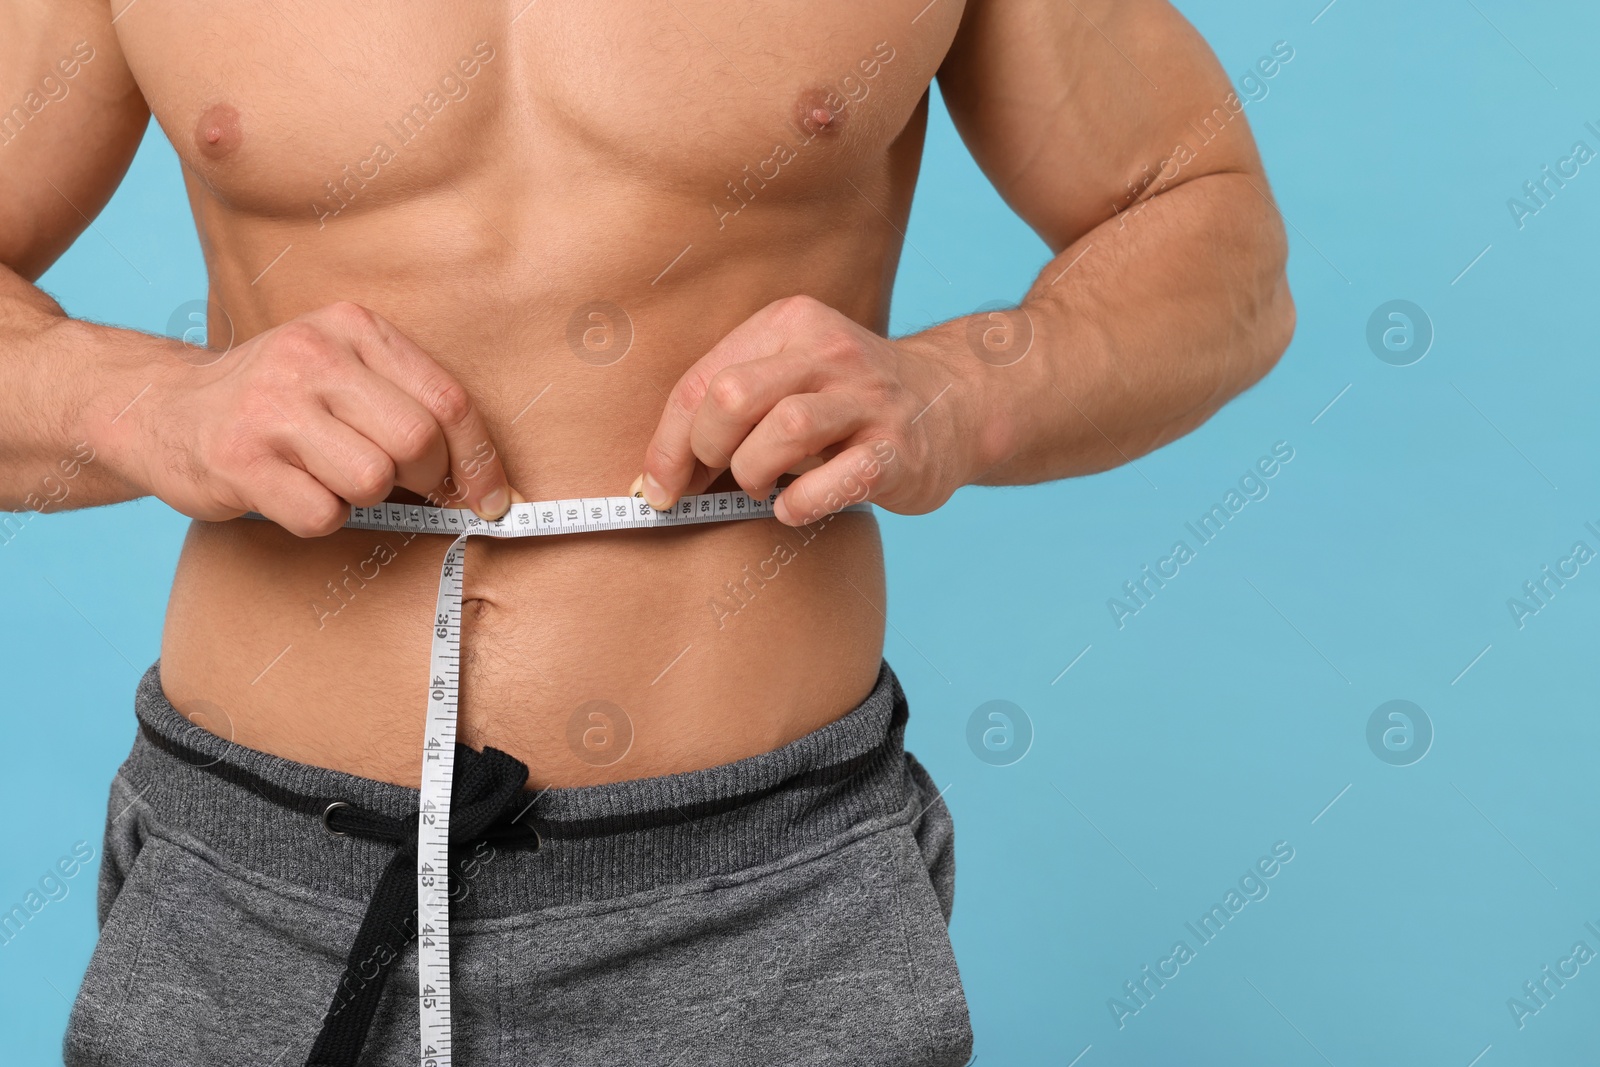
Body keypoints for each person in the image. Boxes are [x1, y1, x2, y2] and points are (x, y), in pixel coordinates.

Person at [1, 1, 1293, 1063]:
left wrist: (970, 387)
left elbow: (1214, 225)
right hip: (261, 888)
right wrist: (137, 399)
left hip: (759, 898)